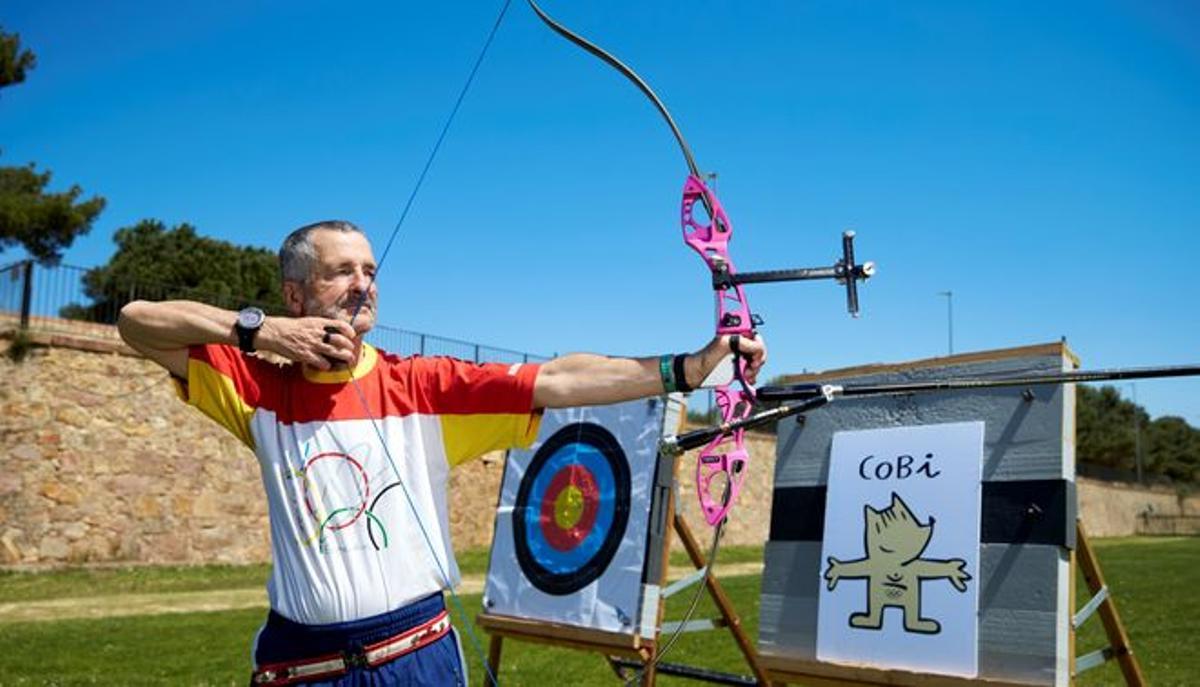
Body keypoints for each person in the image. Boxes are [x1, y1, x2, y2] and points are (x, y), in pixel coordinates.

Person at [117, 219, 766, 686]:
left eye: (370, 270)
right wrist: (256, 330)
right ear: (295, 294)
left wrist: (689, 366)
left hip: (416, 656)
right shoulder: (257, 386)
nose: (362, 283)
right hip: (301, 660)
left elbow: (559, 378)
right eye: (341, 270)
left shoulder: (422, 384)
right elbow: (136, 321)